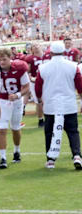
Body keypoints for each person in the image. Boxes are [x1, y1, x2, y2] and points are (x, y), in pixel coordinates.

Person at [35, 41, 82, 170]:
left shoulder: (43, 67)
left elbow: (38, 88)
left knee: (50, 132)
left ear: (50, 52)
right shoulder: (73, 66)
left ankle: (51, 159)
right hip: (68, 104)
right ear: (64, 52)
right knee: (73, 131)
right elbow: (80, 86)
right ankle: (77, 155)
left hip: (51, 105)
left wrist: (39, 99)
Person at [0, 48, 30, 168]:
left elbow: (26, 87)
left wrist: (17, 95)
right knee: (2, 129)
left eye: (4, 59)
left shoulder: (20, 68)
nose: (2, 62)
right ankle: (3, 158)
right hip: (1, 100)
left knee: (15, 128)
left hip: (16, 101)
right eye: (0, 60)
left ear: (10, 58)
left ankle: (17, 151)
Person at [24, 44, 46, 127]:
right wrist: (30, 77)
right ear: (32, 49)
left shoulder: (47, 56)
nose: (36, 46)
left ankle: (50, 117)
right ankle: (41, 119)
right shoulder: (29, 58)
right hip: (35, 82)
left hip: (47, 81)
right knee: (38, 101)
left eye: (37, 45)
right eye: (34, 46)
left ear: (41, 46)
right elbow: (27, 71)